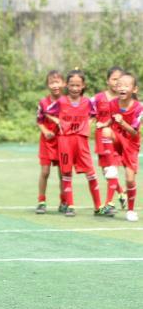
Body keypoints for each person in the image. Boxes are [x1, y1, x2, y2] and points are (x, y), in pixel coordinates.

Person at [46, 70, 111, 217]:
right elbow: (47, 111)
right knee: (66, 173)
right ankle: (70, 205)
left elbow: (94, 114)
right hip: (65, 141)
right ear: (66, 86)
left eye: (78, 85)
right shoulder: (61, 102)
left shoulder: (87, 102)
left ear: (83, 86)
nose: (75, 88)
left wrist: (88, 123)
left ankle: (98, 207)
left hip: (81, 141)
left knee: (91, 173)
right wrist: (58, 122)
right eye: (71, 85)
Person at [103, 72, 143, 221]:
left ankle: (131, 210)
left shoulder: (139, 108)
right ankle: (112, 166)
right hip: (117, 138)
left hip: (131, 143)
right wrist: (103, 124)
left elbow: (134, 132)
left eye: (126, 85)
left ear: (134, 89)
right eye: (119, 85)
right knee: (106, 131)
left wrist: (122, 122)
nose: (122, 87)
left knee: (130, 179)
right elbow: (110, 121)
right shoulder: (112, 103)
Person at [93, 66, 126, 212]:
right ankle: (121, 193)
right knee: (106, 171)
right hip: (101, 138)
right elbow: (87, 112)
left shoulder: (124, 99)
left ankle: (109, 204)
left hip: (116, 139)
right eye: (114, 79)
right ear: (107, 81)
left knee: (112, 170)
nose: (117, 82)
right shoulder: (98, 98)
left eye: (119, 79)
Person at [35, 70, 66, 214]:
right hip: (47, 142)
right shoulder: (43, 102)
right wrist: (45, 131)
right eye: (52, 82)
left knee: (63, 173)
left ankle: (64, 201)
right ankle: (41, 201)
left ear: (63, 84)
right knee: (45, 172)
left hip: (62, 141)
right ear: (48, 85)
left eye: (57, 82)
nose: (55, 85)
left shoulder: (67, 102)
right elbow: (39, 121)